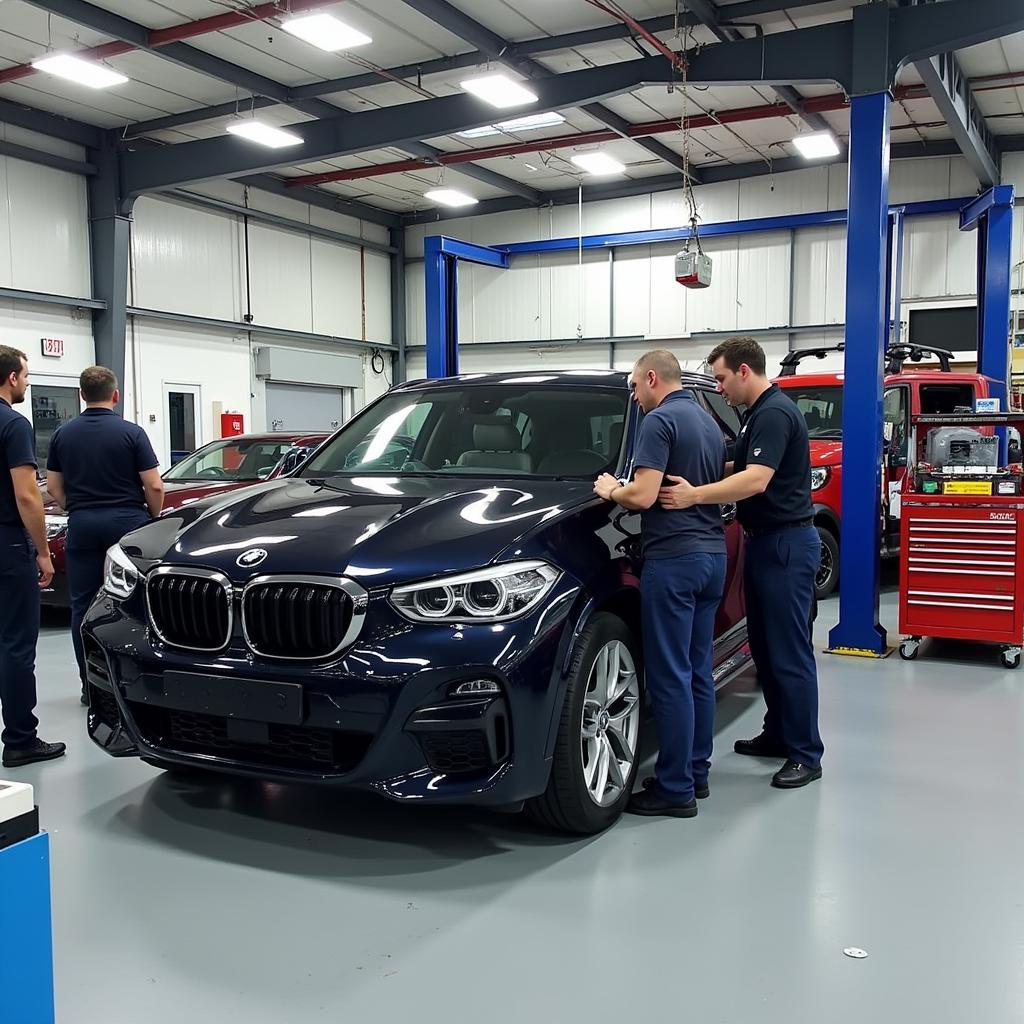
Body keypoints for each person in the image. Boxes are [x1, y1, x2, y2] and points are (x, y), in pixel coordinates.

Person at [659, 337, 824, 788]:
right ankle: (779, 734)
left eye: (722, 377)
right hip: (765, 544)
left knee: (789, 652)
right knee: (767, 650)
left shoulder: (773, 413)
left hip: (785, 546)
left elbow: (755, 479)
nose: (720, 387)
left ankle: (807, 753)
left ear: (745, 371)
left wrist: (695, 495)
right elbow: (738, 465)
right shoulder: (759, 413)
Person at [594, 349, 727, 818]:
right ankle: (696, 772)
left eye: (635, 385)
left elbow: (643, 495)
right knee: (696, 673)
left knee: (669, 677)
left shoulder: (658, 422)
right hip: (712, 557)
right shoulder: (707, 419)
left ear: (653, 378)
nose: (634, 395)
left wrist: (611, 489)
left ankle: (674, 790)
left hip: (674, 560)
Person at [46, 366, 163, 704]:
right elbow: (153, 484)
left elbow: (53, 487)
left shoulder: (63, 434)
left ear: (82, 395)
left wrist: (80, 507)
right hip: (127, 527)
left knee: (81, 606)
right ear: (115, 395)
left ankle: (90, 686)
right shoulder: (132, 433)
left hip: (83, 525)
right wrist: (152, 517)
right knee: (134, 606)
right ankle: (133, 686)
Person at [0, 346, 65, 768]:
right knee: (16, 644)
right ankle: (21, 738)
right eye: (25, 376)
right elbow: (26, 495)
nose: (27, 383)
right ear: (10, 378)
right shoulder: (12, 424)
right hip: (6, 545)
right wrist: (43, 551)